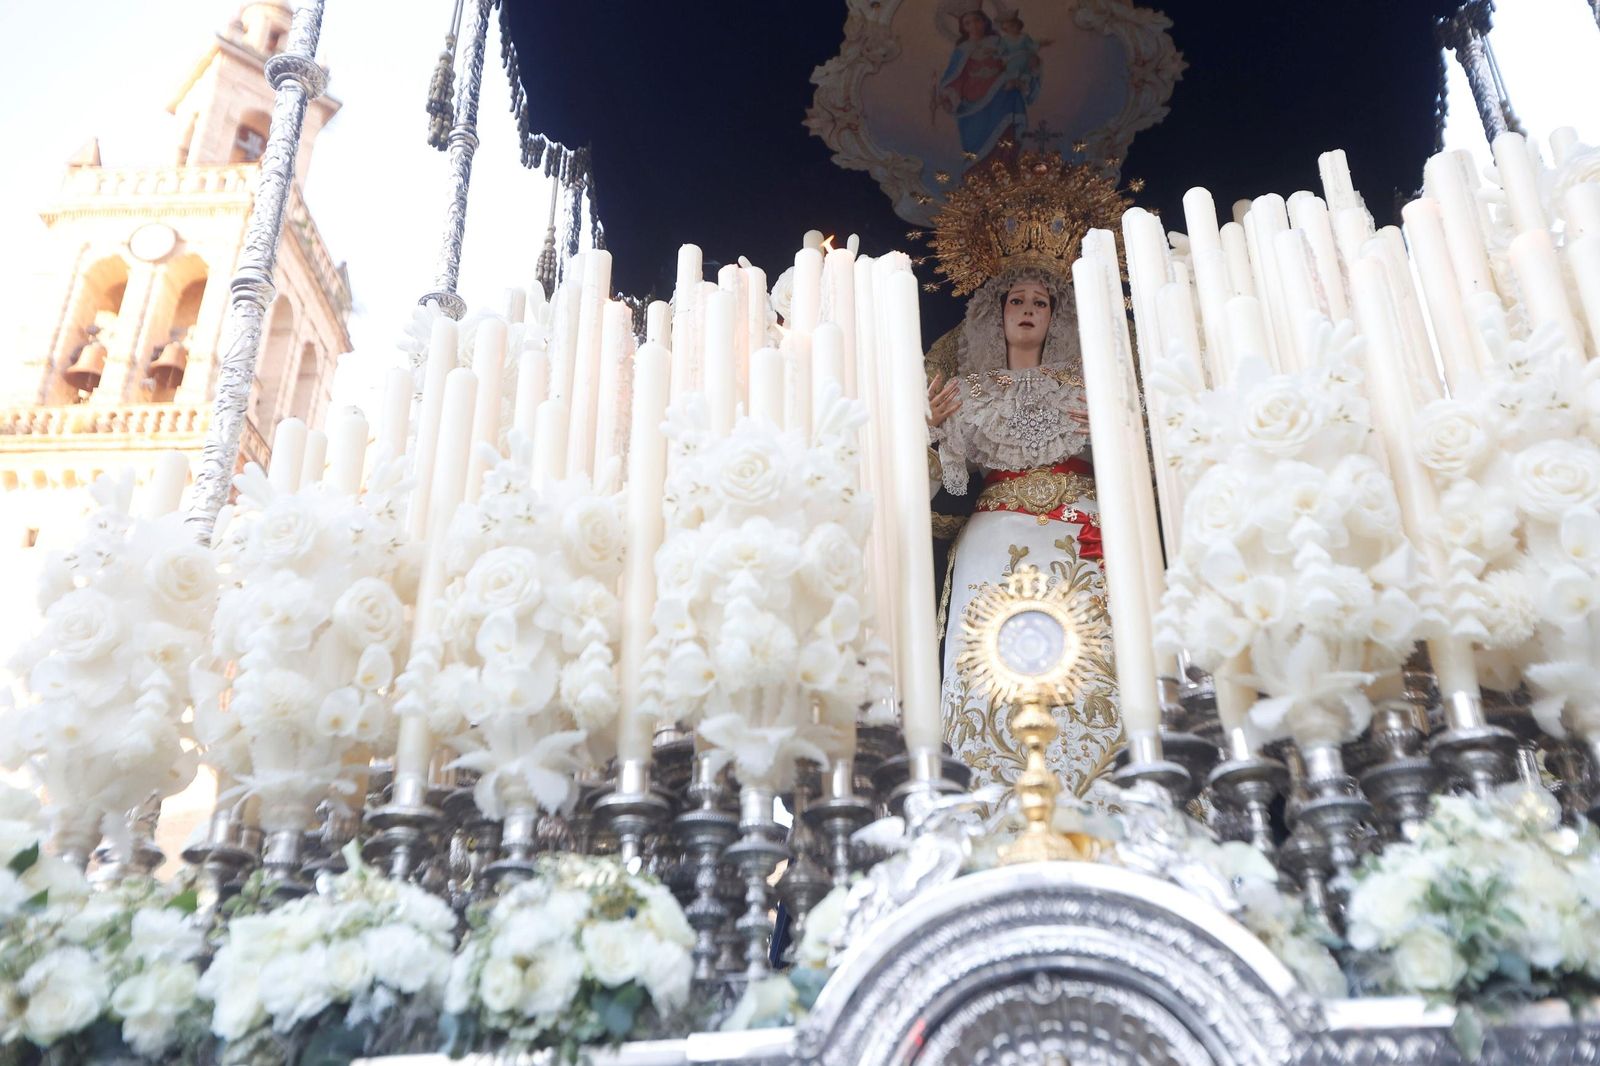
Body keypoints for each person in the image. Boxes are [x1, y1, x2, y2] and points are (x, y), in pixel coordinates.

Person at [926, 265, 1120, 796]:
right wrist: (927, 429)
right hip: (993, 537)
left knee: (1092, 658)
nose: (1029, 309)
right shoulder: (965, 393)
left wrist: (1112, 421)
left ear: (1056, 318)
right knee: (991, 662)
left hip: (1080, 528)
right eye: (1017, 301)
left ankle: (1101, 793)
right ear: (998, 315)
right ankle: (992, 799)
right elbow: (931, 484)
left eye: (1041, 302)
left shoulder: (1089, 381)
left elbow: (1136, 458)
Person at [935, 8, 1028, 168]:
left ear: (985, 22)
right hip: (972, 104)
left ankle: (1005, 166)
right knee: (975, 141)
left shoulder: (998, 43)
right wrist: (948, 95)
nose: (974, 25)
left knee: (1005, 132)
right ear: (963, 28)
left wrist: (1015, 78)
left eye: (977, 20)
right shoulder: (962, 50)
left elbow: (1013, 63)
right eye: (968, 23)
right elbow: (955, 78)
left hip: (1001, 94)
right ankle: (980, 173)